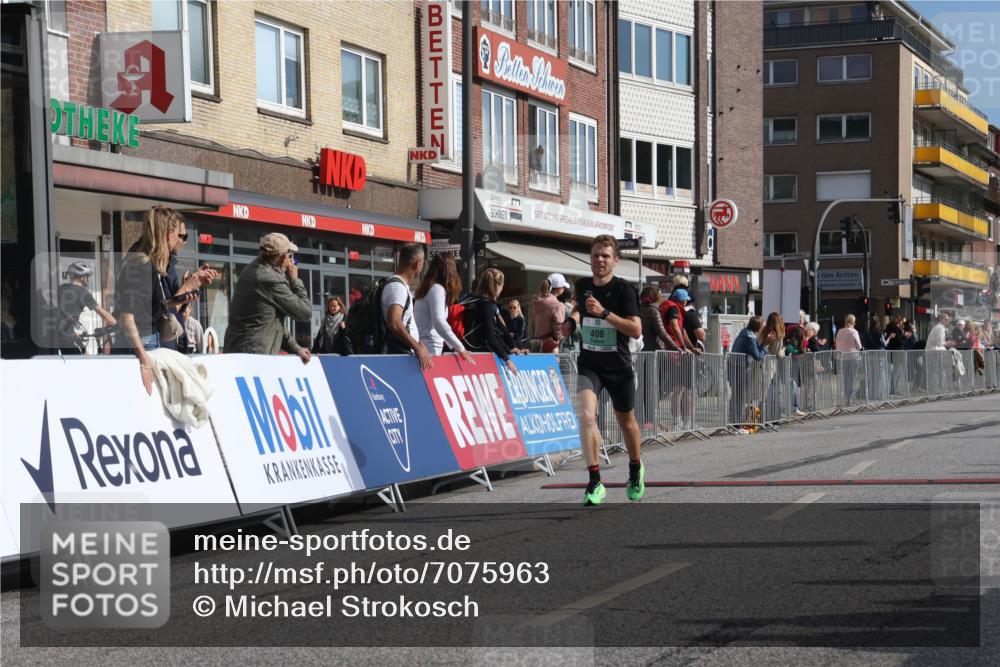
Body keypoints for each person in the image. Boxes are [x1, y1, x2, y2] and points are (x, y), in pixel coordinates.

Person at [571, 235, 643, 506]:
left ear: (615, 260)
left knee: (627, 424)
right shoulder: (582, 286)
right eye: (595, 255)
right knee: (587, 415)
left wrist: (604, 314)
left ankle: (635, 468)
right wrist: (571, 320)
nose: (599, 260)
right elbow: (580, 309)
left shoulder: (624, 290)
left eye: (604, 256)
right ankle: (594, 481)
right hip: (590, 364)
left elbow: (636, 329)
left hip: (618, 366)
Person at [115, 206, 214, 394]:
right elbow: (127, 317)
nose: (180, 240)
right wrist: (144, 361)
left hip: (150, 343)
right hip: (144, 345)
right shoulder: (141, 264)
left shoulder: (148, 263)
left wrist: (183, 295)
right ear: (168, 233)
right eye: (179, 234)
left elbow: (152, 307)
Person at [225, 232, 312, 364]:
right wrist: (294, 280)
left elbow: (270, 322)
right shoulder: (270, 280)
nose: (291, 260)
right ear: (283, 258)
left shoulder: (252, 270)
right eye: (289, 255)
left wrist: (296, 349)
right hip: (254, 357)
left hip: (242, 351)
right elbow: (305, 313)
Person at [381, 243, 432, 369]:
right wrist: (417, 347)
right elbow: (394, 322)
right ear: (418, 262)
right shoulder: (397, 287)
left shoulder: (400, 286)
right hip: (399, 357)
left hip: (402, 354)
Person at [413, 253, 472, 361]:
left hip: (427, 346)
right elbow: (439, 322)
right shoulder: (437, 289)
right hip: (430, 349)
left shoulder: (429, 288)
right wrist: (461, 348)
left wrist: (454, 347)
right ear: (450, 271)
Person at [468, 267, 525, 373]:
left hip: (474, 352)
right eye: (502, 284)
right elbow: (490, 337)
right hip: (482, 356)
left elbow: (500, 330)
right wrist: (507, 360)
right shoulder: (487, 306)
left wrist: (510, 348)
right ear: (496, 285)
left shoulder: (480, 302)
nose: (503, 287)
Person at [54, 262, 117, 354]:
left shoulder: (60, 288)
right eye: (87, 277)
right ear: (83, 277)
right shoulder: (83, 293)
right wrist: (116, 324)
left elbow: (62, 312)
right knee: (85, 363)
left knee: (85, 357)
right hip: (67, 339)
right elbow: (106, 316)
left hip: (56, 336)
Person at [531, 275, 567, 353]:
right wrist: (562, 340)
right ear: (559, 289)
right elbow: (558, 328)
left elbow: (533, 324)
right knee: (552, 365)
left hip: (535, 344)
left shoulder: (536, 303)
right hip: (551, 345)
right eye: (563, 287)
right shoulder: (558, 305)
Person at [835, 314, 864, 404]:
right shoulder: (854, 332)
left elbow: (837, 344)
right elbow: (859, 346)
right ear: (853, 322)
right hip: (853, 357)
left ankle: (847, 397)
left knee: (845, 378)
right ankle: (850, 398)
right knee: (852, 378)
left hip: (841, 357)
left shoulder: (839, 331)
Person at [639, 286, 675, 351]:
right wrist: (676, 347)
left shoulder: (636, 309)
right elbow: (662, 333)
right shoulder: (654, 311)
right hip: (653, 351)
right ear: (655, 297)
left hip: (638, 350)